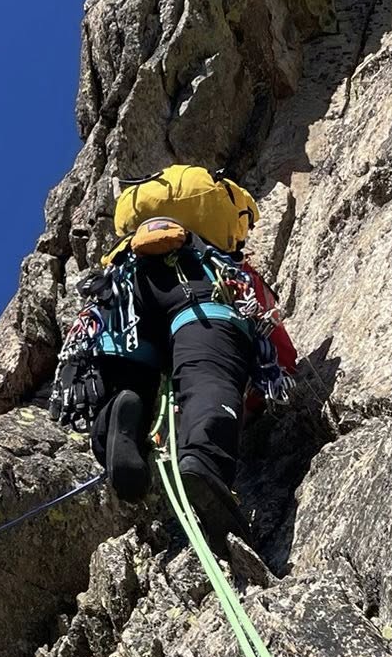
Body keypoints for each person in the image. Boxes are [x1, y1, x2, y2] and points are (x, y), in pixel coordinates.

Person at [51, 166, 293, 542]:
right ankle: (204, 462)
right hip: (196, 295)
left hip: (128, 301)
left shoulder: (129, 254)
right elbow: (270, 333)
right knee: (209, 374)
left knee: (129, 384)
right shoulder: (219, 259)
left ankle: (119, 408)